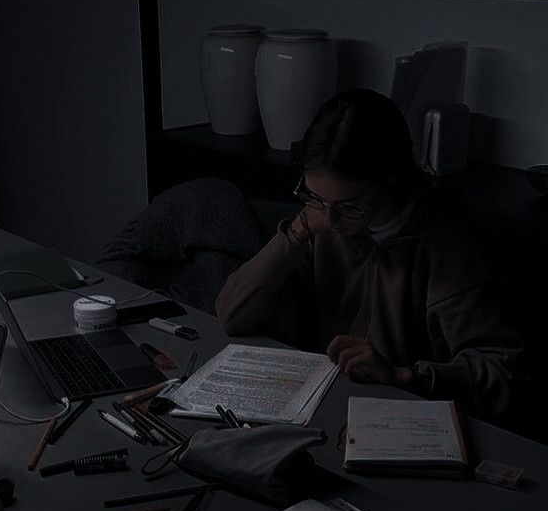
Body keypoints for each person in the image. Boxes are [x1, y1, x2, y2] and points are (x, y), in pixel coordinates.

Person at [216, 88, 528, 421]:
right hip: (327, 411)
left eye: (348, 205)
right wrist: (298, 230)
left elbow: (506, 376)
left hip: (407, 422)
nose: (332, 221)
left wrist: (403, 375)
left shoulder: (452, 246)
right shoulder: (321, 224)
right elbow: (233, 315)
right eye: (315, 197)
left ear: (392, 179)